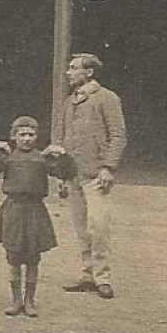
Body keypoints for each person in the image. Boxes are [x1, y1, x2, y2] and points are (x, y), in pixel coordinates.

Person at [0, 116, 76, 317]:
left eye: (31, 135)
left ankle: (30, 300)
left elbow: (68, 171)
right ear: (14, 136)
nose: (27, 139)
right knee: (13, 257)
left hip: (35, 211)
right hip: (13, 210)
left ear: (37, 136)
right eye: (22, 134)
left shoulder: (43, 159)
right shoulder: (8, 158)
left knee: (32, 258)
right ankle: (15, 300)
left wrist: (62, 155)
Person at [56, 53, 128, 300]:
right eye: (69, 68)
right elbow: (66, 139)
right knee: (81, 228)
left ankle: (103, 278)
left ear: (88, 73)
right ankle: (87, 275)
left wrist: (108, 167)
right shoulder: (70, 102)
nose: (68, 72)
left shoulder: (107, 99)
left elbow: (118, 136)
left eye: (73, 68)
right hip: (74, 175)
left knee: (98, 228)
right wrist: (63, 175)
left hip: (96, 175)